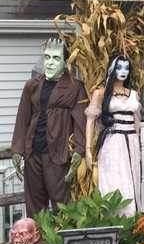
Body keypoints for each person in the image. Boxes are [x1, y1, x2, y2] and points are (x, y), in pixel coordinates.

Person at [11, 38, 87, 217]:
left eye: (56, 58)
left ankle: (60, 243)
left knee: (61, 201)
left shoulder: (75, 87)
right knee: (35, 203)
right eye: (47, 57)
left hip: (58, 152)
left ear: (65, 62)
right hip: (33, 151)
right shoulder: (32, 85)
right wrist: (17, 149)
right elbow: (23, 117)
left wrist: (79, 149)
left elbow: (80, 121)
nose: (50, 63)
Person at [86, 55, 142, 216]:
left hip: (131, 141)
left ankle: (131, 223)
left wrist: (136, 142)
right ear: (112, 69)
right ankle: (115, 221)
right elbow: (90, 121)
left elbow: (136, 122)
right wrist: (88, 150)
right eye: (119, 67)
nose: (123, 71)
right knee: (115, 180)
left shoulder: (133, 94)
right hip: (113, 142)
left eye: (126, 68)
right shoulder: (101, 93)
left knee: (132, 180)